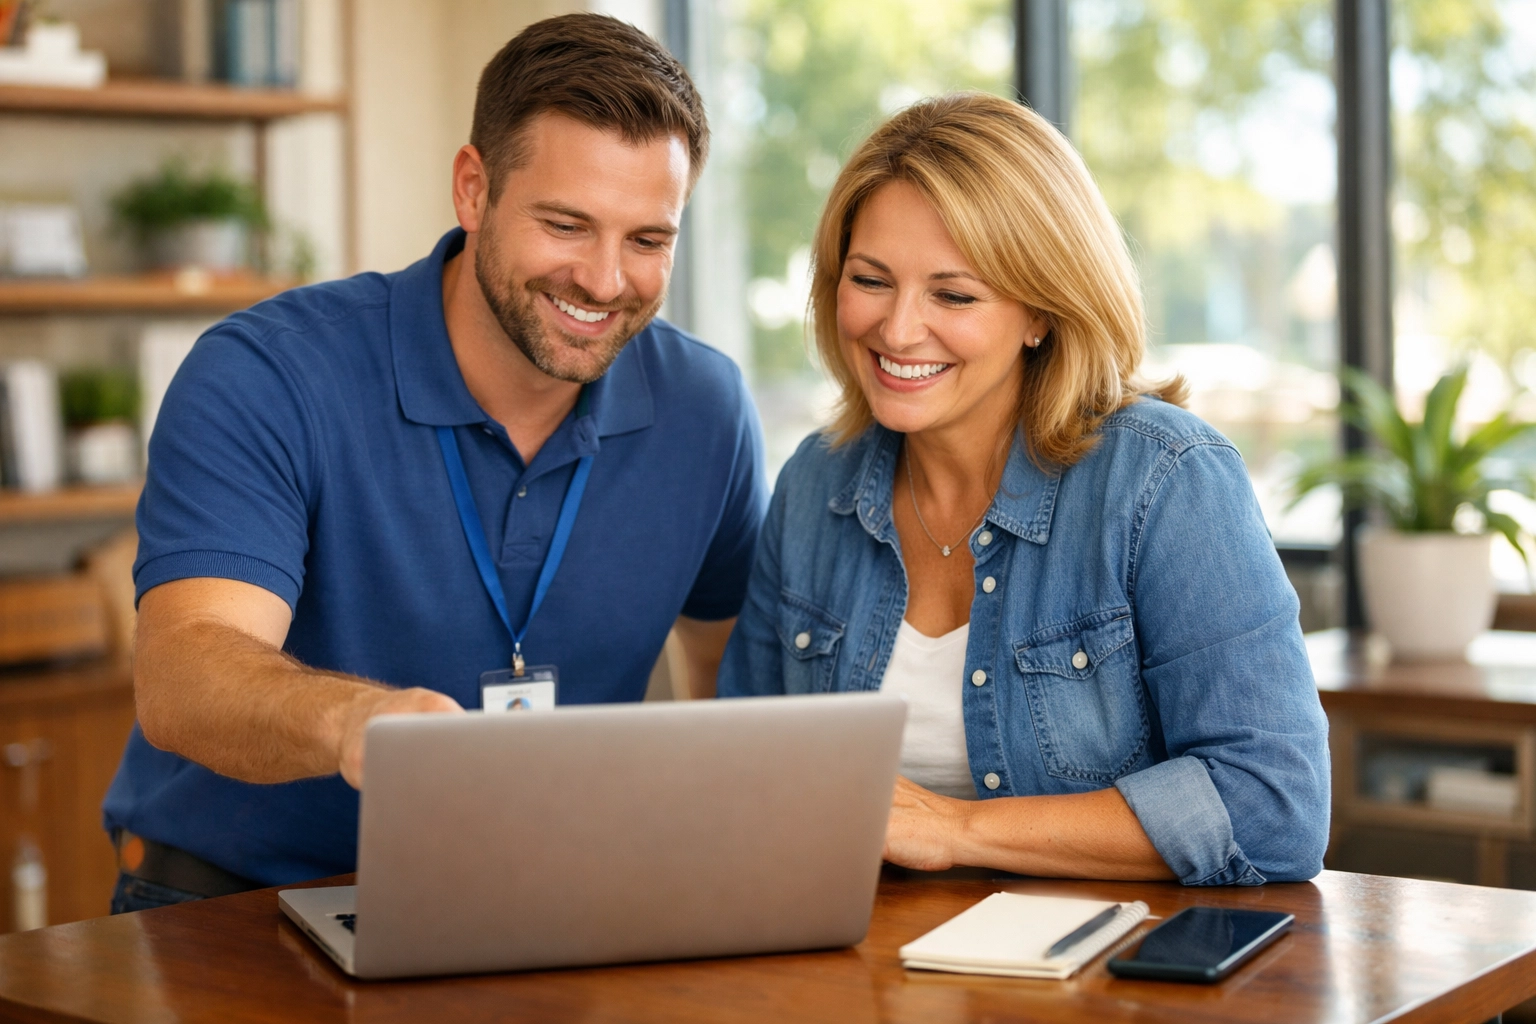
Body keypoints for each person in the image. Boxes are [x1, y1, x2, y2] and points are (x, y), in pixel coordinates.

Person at [105, 14, 766, 912]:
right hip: (236, 908)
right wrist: (355, 721)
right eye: (567, 225)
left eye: (649, 240)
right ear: (472, 189)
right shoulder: (267, 374)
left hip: (544, 903)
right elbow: (183, 675)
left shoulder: (707, 409)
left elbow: (737, 676)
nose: (607, 281)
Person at [717, 93, 1329, 885]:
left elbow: (1275, 807)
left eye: (954, 294)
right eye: (871, 280)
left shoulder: (1166, 479)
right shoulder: (814, 485)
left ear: (1040, 311)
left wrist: (957, 830)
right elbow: (744, 776)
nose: (898, 330)